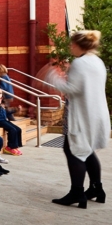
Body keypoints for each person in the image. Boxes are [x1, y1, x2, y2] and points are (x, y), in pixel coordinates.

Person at [46, 30, 110, 208]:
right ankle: (97, 188)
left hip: (81, 116)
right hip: (95, 114)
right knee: (87, 151)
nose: (69, 47)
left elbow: (72, 89)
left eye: (71, 44)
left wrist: (52, 76)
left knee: (73, 151)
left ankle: (77, 193)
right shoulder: (97, 61)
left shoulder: (80, 63)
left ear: (78, 45)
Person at [0, 87, 22, 156]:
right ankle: (10, 147)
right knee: (12, 130)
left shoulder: (2, 102)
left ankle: (16, 146)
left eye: (0, 93)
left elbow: (6, 112)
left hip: (3, 120)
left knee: (18, 129)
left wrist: (16, 109)